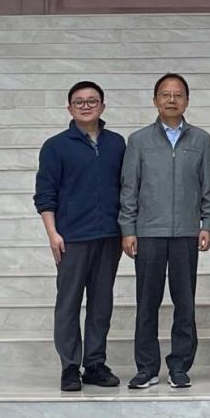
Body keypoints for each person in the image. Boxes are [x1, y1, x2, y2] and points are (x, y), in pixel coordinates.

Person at [118, 73, 210, 390]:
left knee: (184, 303)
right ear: (155, 100)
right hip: (148, 233)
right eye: (165, 94)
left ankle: (180, 366)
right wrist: (128, 229)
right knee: (147, 302)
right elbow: (129, 189)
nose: (171, 100)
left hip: (187, 233)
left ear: (187, 100)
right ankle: (147, 367)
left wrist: (207, 224)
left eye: (178, 95)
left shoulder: (201, 140)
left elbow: (207, 187)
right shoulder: (138, 141)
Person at [34, 81, 126, 392]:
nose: (86, 106)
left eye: (92, 101)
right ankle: (70, 366)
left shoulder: (117, 144)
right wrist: (53, 233)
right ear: (69, 108)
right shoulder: (55, 146)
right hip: (71, 237)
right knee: (69, 302)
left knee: (101, 304)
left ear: (103, 106)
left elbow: (126, 188)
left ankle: (95, 364)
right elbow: (45, 194)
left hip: (109, 236)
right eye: (79, 102)